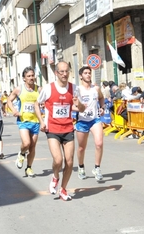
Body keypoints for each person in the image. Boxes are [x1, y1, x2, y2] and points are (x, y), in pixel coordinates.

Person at [34, 61, 85, 201]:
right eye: (61, 72)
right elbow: (36, 104)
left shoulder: (74, 88)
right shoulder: (49, 88)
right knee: (58, 160)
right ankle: (55, 176)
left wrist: (78, 104)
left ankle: (63, 189)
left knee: (69, 162)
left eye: (66, 71)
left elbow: (82, 109)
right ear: (56, 73)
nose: (64, 74)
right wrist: (41, 121)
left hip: (68, 128)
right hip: (53, 129)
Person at [7, 66, 41, 177]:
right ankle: (21, 154)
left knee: (32, 147)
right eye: (29, 76)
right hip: (23, 121)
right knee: (26, 143)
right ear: (24, 78)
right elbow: (9, 100)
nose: (31, 78)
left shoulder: (39, 89)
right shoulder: (19, 89)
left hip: (35, 121)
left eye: (32, 75)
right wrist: (14, 110)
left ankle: (29, 168)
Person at [75, 66, 106, 181]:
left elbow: (101, 98)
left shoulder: (96, 88)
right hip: (82, 121)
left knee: (99, 143)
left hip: (95, 119)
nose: (88, 75)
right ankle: (81, 166)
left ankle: (97, 168)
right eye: (85, 73)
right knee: (82, 148)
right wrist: (79, 108)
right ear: (80, 76)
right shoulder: (77, 90)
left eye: (89, 73)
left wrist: (102, 107)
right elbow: (72, 105)